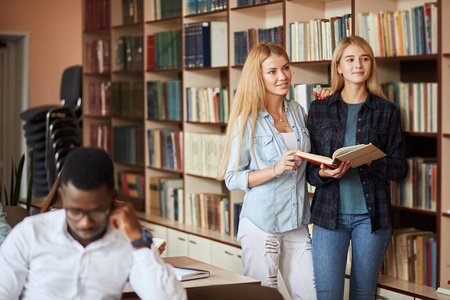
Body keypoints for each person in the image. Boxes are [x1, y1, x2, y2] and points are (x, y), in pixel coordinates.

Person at [0, 147, 186, 300]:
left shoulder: (127, 239)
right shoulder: (31, 233)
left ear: (112, 200)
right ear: (63, 198)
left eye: (97, 211)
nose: (85, 223)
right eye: (75, 211)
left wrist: (139, 240)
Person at [306, 36, 408, 300]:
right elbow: (308, 171)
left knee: (363, 295)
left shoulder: (386, 111)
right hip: (329, 217)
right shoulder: (319, 110)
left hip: (372, 219)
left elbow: (399, 169)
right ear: (338, 66)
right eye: (350, 59)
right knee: (327, 295)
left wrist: (371, 160)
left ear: (371, 65)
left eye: (364, 58)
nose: (358, 65)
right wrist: (323, 173)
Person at [218, 42, 316, 300]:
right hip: (262, 225)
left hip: (297, 223)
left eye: (285, 68)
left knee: (313, 296)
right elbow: (232, 178)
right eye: (272, 71)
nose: (282, 76)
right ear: (258, 76)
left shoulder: (297, 111)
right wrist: (275, 169)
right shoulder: (247, 119)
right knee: (264, 298)